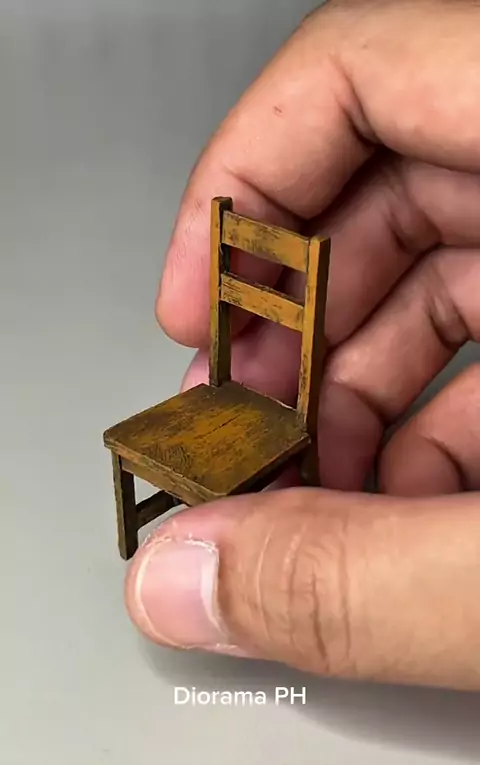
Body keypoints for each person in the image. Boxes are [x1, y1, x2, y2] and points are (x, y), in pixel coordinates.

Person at [124, 0, 480, 691]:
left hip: (286, 413)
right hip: (235, 390)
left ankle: (242, 527)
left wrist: (305, 590)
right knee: (158, 432)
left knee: (259, 427)